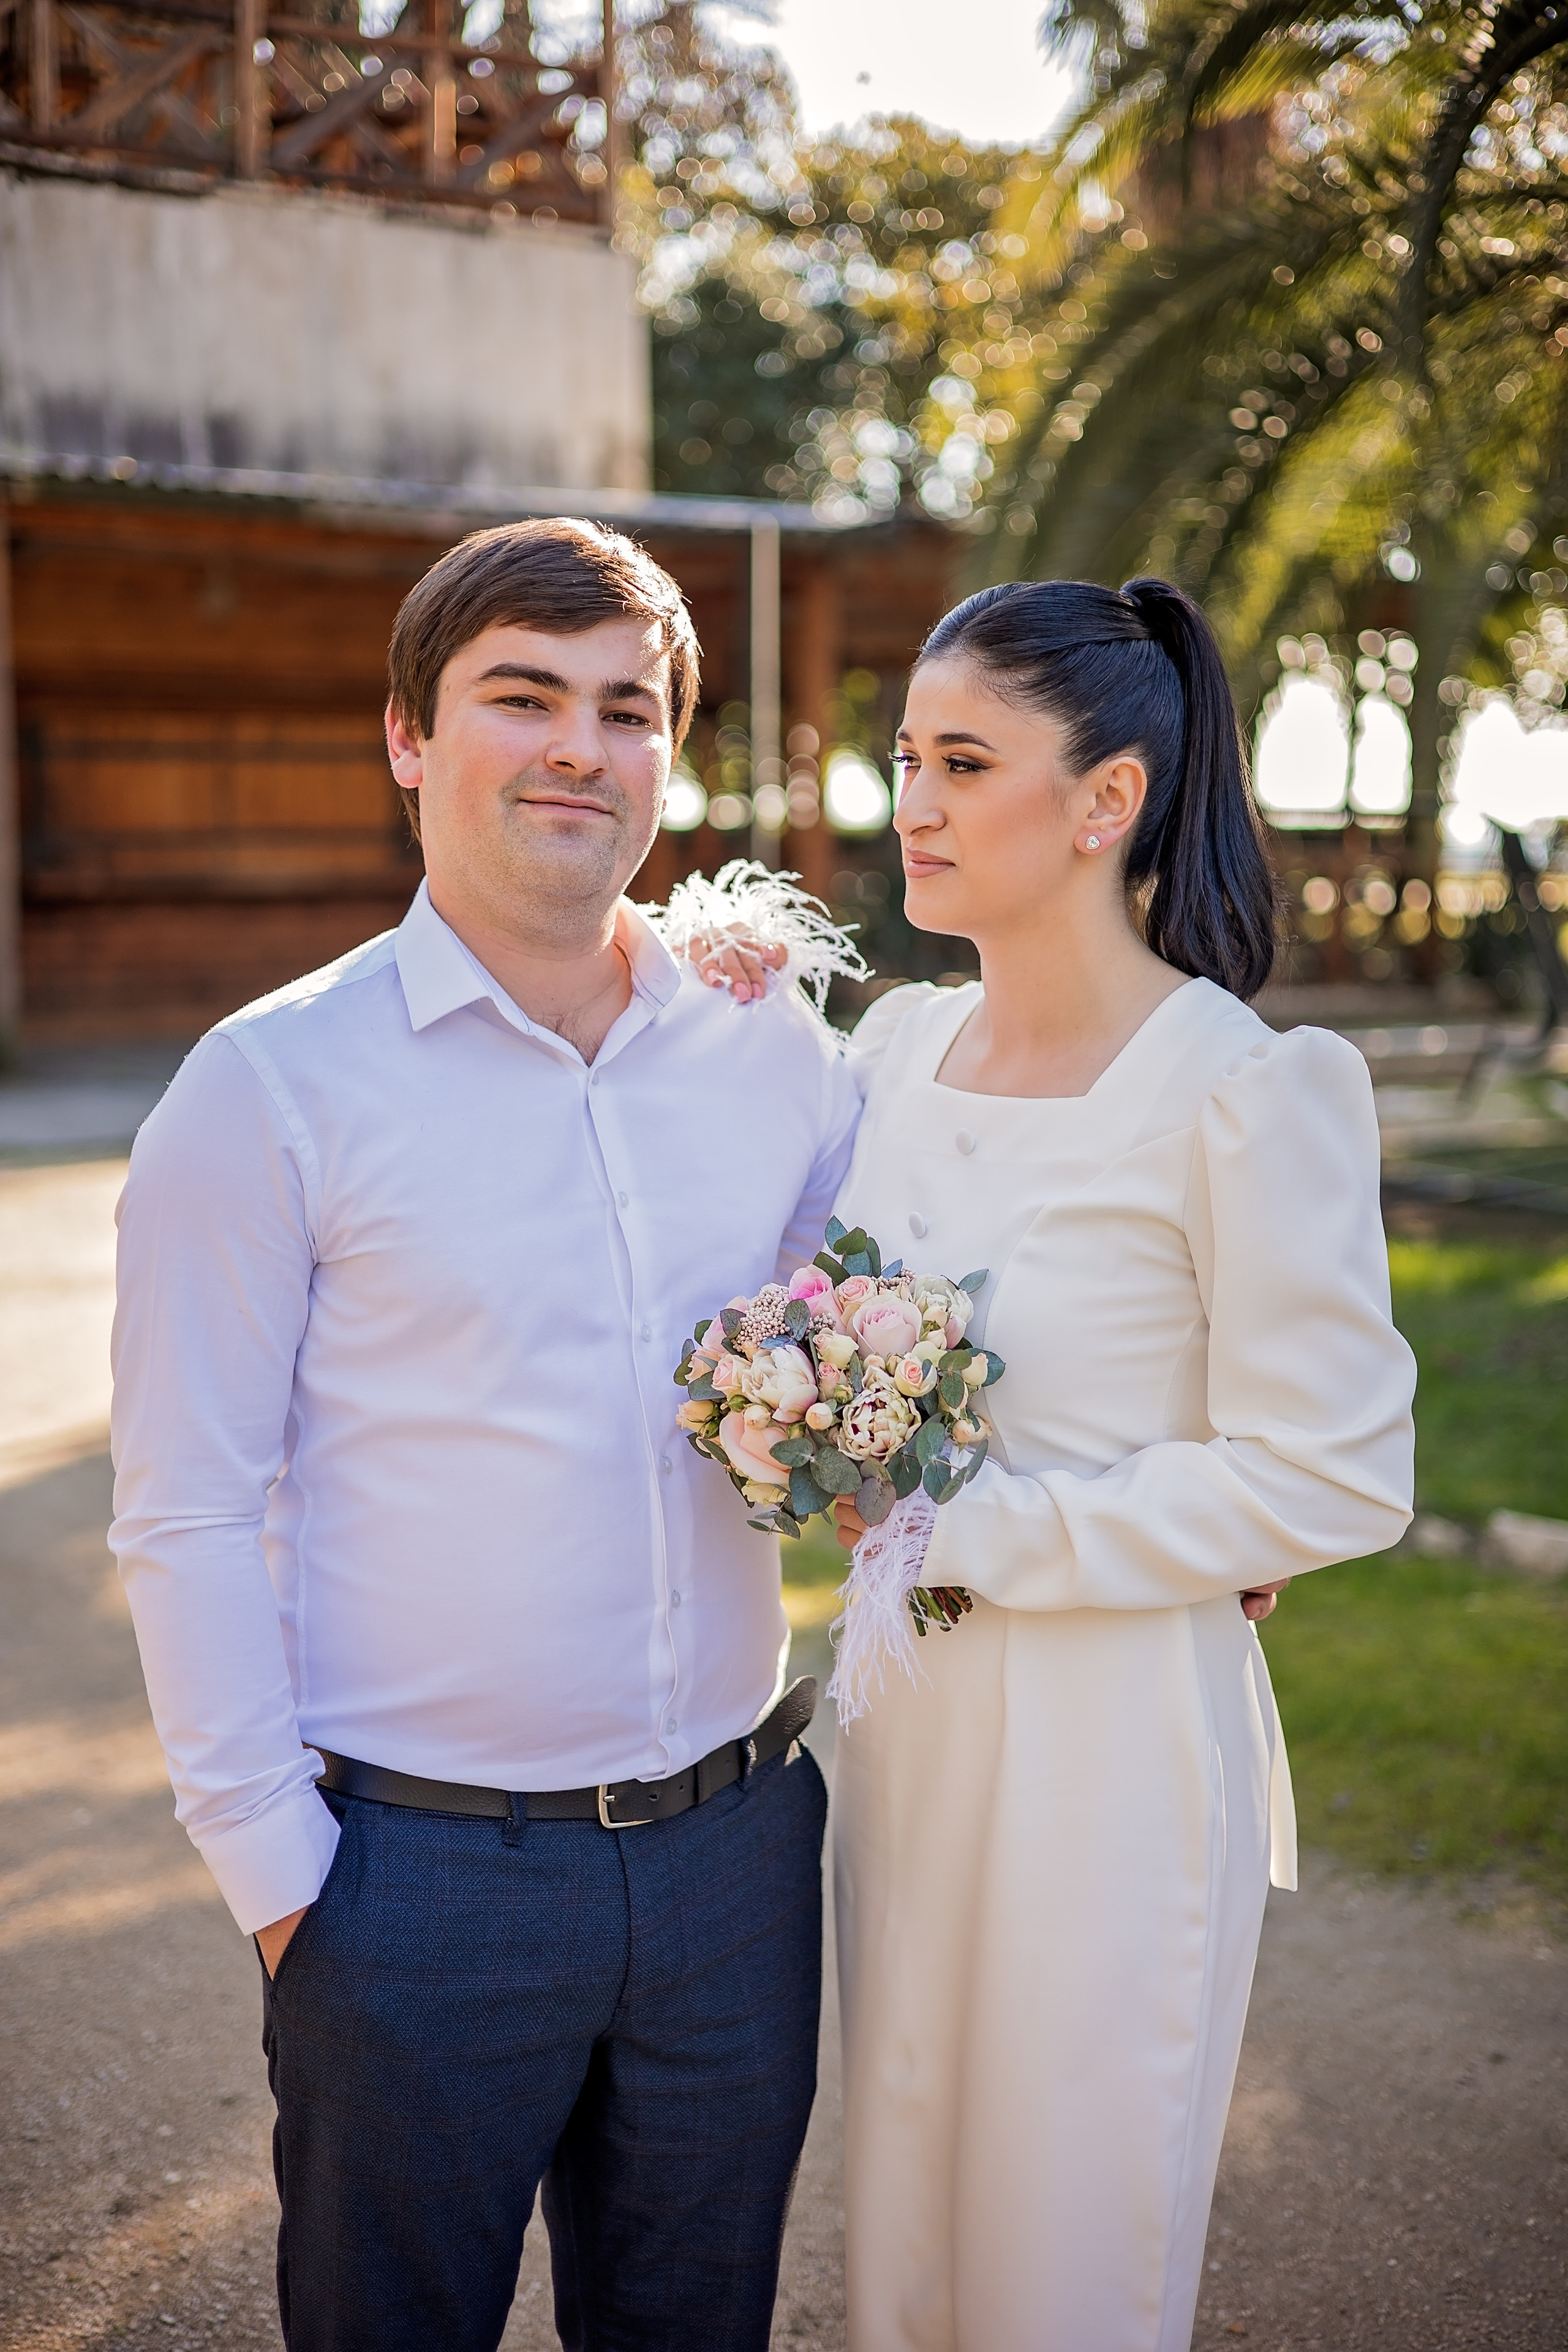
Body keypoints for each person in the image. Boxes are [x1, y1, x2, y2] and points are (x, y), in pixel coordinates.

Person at [108, 519, 862, 2352]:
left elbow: (931, 1312)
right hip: (416, 1884)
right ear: (406, 739)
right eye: (520, 697)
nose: (577, 750)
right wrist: (288, 1892)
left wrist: (1181, 1508)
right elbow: (185, 1514)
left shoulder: (778, 1059)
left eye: (626, 710)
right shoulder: (270, 1088)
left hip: (735, 1862)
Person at [818, 577, 1417, 2351]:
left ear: (1108, 799)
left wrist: (985, 1531)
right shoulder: (894, 1047)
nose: (910, 803)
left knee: (1065, 2249)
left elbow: (1336, 1470)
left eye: (963, 761)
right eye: (905, 758)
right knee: (907, 2222)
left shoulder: (1245, 1085)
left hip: (1113, 1746)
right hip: (899, 1724)